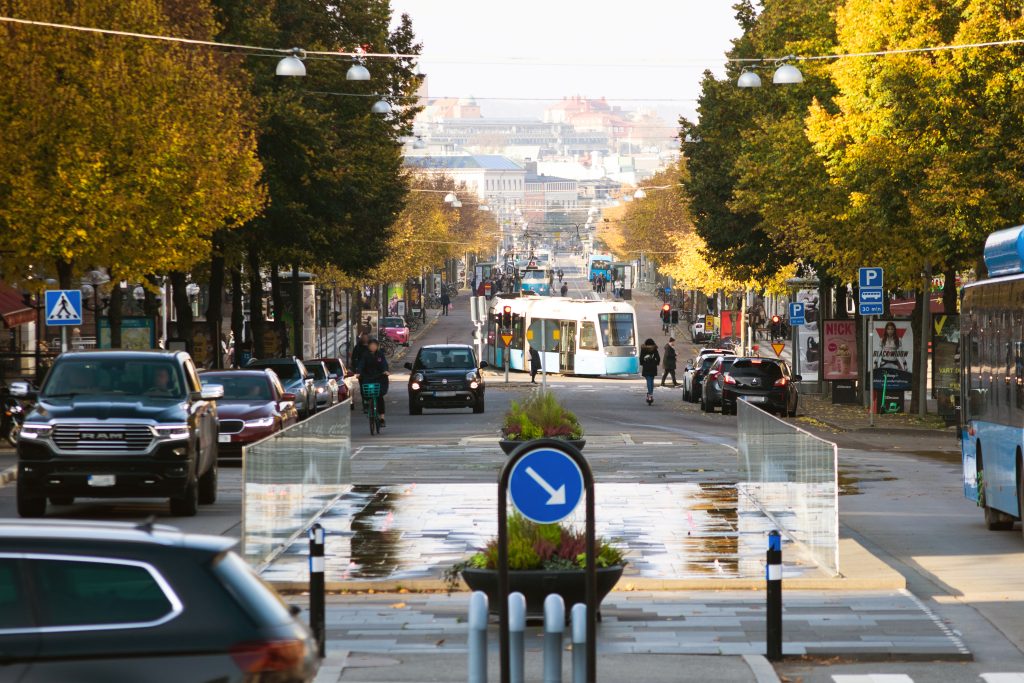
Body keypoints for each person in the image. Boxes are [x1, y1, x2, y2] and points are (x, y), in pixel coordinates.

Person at [356, 338, 389, 426]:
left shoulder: (380, 354)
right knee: (366, 391)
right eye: (371, 345)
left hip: (379, 377)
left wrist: (385, 371)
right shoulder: (365, 355)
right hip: (368, 377)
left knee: (379, 397)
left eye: (375, 345)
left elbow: (384, 364)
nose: (373, 347)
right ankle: (367, 405)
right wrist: (359, 372)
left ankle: (382, 418)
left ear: (377, 346)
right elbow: (361, 364)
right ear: (369, 346)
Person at [640, 338, 660, 405]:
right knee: (651, 379)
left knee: (648, 379)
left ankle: (650, 395)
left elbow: (641, 358)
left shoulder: (643, 349)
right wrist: (656, 363)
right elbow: (658, 358)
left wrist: (643, 363)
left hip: (646, 366)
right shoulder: (654, 349)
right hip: (653, 366)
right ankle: (650, 395)